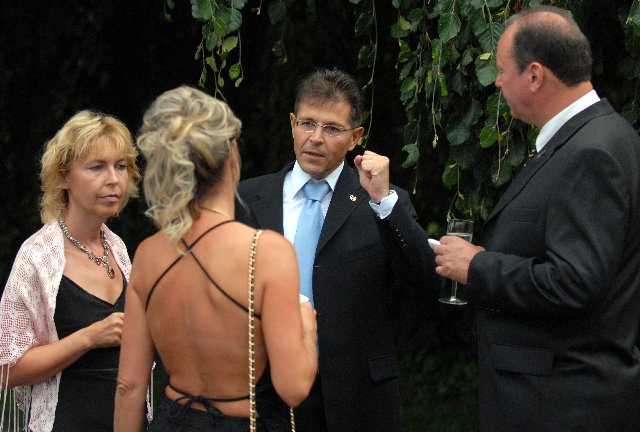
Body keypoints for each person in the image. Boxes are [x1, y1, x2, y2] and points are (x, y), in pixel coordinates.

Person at [433, 6, 640, 432]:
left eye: (502, 71)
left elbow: (575, 282)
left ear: (534, 75)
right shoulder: (596, 136)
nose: (497, 82)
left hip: (561, 405)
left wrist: (477, 266)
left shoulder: (590, 152)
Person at [235, 68, 435, 432]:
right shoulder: (248, 199)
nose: (316, 138)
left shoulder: (382, 201)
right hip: (266, 393)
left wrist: (384, 203)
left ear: (356, 137)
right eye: (307, 124)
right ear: (292, 124)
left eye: (331, 128)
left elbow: (423, 282)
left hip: (358, 398)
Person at [114, 86, 318, 432]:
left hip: (172, 422)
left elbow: (129, 386)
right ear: (232, 154)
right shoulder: (267, 252)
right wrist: (307, 326)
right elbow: (293, 387)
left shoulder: (148, 254)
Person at [0, 110, 141, 432]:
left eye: (120, 166)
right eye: (96, 167)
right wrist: (88, 337)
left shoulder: (118, 249)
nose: (113, 179)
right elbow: (7, 368)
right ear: (63, 176)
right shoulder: (37, 256)